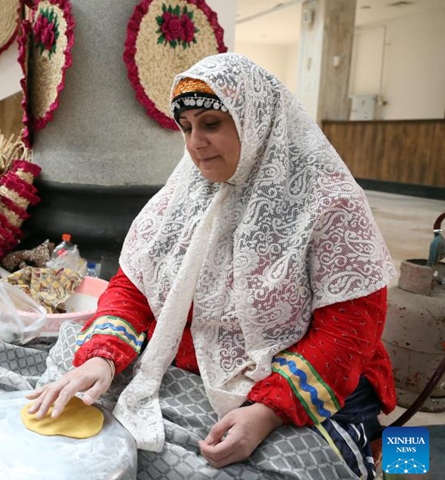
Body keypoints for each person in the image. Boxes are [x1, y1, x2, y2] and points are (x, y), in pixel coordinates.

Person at [27, 53, 396, 479]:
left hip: (315, 381)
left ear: (256, 119)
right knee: (86, 425)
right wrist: (102, 358)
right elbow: (134, 287)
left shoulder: (330, 204)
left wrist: (267, 412)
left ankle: (399, 458)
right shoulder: (187, 192)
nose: (194, 143)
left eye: (211, 123)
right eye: (186, 128)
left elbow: (350, 329)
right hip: (196, 366)